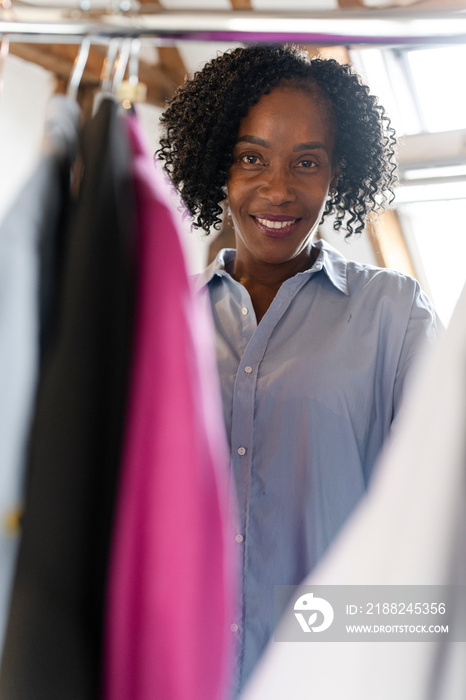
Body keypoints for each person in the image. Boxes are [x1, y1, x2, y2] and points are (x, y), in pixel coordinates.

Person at [157, 44, 439, 696]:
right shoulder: (163, 319)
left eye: (306, 163)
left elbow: (440, 520)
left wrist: (335, 646)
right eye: (250, 157)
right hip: (181, 675)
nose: (278, 189)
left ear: (339, 173)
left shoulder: (396, 317)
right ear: (215, 166)